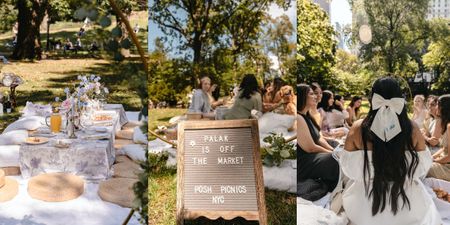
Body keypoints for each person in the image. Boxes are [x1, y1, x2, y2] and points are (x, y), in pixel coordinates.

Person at [341, 77, 441, 225]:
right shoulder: (412, 128)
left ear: (372, 99)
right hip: (408, 207)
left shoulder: (357, 128)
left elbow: (348, 170)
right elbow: (422, 168)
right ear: (399, 98)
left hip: (363, 207)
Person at [297, 84, 338, 194]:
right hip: (304, 161)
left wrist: (334, 150)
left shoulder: (308, 116)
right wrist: (334, 154)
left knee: (336, 145)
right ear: (302, 97)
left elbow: (319, 138)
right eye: (311, 94)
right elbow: (311, 148)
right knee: (333, 159)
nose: (315, 96)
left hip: (313, 155)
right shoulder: (298, 118)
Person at [427, 94, 450, 181]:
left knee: (421, 168)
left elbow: (449, 157)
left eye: (437, 104)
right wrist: (432, 157)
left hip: (447, 168)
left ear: (444, 107)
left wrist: (435, 161)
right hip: (444, 162)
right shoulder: (445, 123)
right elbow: (444, 148)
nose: (435, 107)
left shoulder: (449, 126)